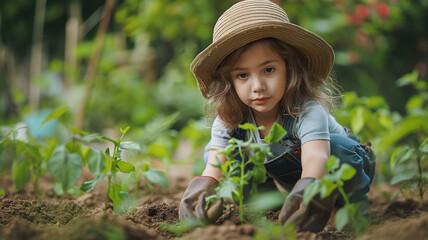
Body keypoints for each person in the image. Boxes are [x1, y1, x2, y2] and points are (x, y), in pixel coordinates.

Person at [179, 0, 375, 232]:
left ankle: (348, 209)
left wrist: (310, 189)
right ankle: (269, 206)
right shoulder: (231, 119)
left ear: (289, 68)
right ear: (229, 82)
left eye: (269, 70)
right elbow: (214, 165)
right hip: (290, 177)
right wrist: (204, 189)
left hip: (339, 169)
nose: (258, 86)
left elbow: (316, 158)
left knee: (337, 147)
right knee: (219, 150)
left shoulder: (306, 110)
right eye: (242, 75)